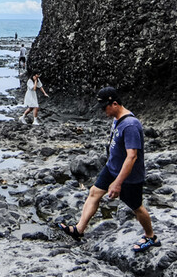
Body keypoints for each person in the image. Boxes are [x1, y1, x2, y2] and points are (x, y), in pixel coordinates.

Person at [58, 86, 160, 252]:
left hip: (129, 176)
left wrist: (117, 183)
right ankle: (78, 230)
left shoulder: (131, 125)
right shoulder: (117, 120)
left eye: (104, 107)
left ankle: (151, 237)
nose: (103, 111)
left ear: (114, 104)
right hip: (111, 168)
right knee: (94, 193)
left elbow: (132, 156)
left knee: (136, 207)